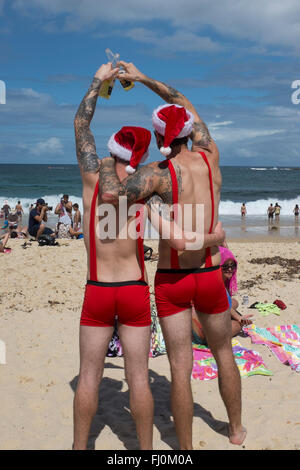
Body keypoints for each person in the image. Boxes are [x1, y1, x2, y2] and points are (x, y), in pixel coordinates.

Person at [99, 61, 246, 448]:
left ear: (159, 135)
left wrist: (113, 161)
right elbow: (182, 101)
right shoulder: (211, 155)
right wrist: (144, 78)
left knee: (180, 371)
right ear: (188, 132)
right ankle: (235, 431)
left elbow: (113, 196)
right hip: (211, 275)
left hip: (174, 281)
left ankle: (183, 449)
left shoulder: (157, 174)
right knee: (223, 353)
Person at [73, 62, 155, 451]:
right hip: (135, 288)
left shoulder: (93, 174)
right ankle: (145, 452)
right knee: (138, 378)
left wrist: (99, 79)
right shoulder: (146, 182)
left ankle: (79, 447)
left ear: (112, 149)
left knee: (89, 376)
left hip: (99, 288)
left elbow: (81, 126)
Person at [192, 246, 253, 344]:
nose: (229, 269)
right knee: (237, 325)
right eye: (225, 266)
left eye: (232, 266)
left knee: (234, 302)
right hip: (202, 332)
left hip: (195, 319)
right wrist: (239, 318)